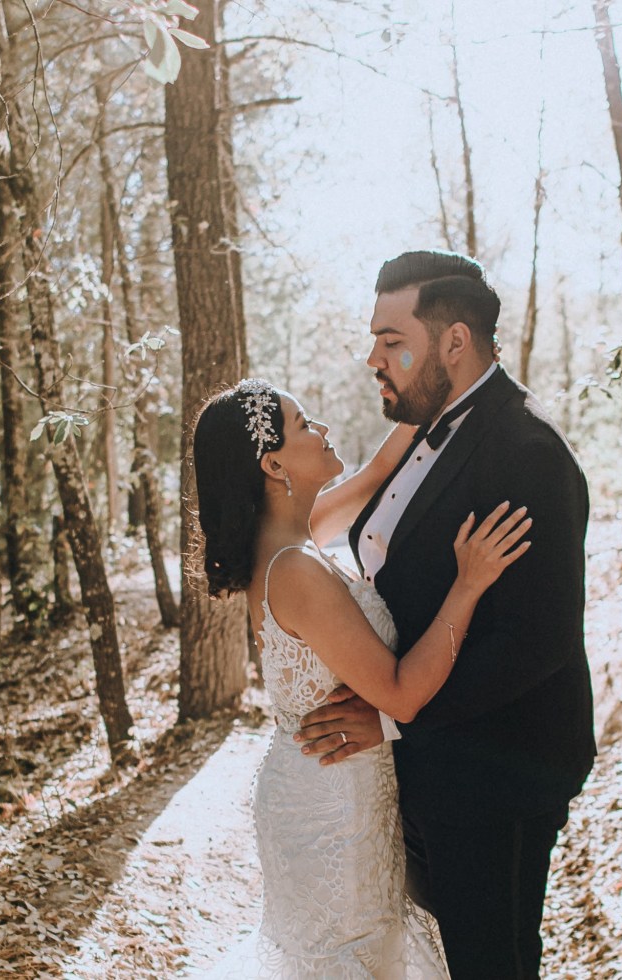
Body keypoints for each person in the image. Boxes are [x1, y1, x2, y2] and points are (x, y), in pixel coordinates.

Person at [297, 250, 596, 979]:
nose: (374, 359)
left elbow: (537, 640)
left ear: (455, 341)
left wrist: (393, 715)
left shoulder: (527, 452)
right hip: (424, 770)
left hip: (495, 774)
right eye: (374, 339)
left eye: (392, 340)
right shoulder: (422, 428)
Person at [192, 377, 531, 978]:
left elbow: (378, 472)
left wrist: (442, 380)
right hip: (331, 807)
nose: (321, 428)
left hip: (338, 786)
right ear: (273, 464)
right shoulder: (294, 569)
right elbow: (401, 693)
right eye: (304, 424)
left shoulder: (293, 536)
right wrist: (469, 583)